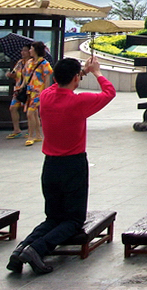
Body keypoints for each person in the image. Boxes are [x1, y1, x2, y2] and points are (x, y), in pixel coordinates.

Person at [6, 56, 115, 275]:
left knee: (53, 217)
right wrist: (95, 72)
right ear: (76, 79)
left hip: (50, 165)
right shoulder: (78, 102)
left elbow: (60, 82)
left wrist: (78, 73)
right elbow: (109, 93)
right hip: (73, 164)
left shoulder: (46, 96)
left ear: (55, 77)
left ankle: (20, 251)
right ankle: (36, 249)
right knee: (73, 220)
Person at [24, 41, 53, 147]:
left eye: (31, 49)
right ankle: (37, 135)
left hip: (39, 92)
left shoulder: (44, 64)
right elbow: (26, 77)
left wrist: (45, 93)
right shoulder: (29, 62)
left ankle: (31, 136)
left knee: (30, 113)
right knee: (34, 114)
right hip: (29, 91)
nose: (30, 51)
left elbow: (47, 80)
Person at [5, 44, 31, 139]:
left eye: (25, 50)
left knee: (29, 111)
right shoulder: (20, 62)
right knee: (13, 108)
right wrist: (10, 75)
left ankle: (30, 130)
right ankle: (16, 129)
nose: (22, 53)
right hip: (18, 89)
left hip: (28, 89)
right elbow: (15, 74)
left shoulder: (32, 63)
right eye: (22, 50)